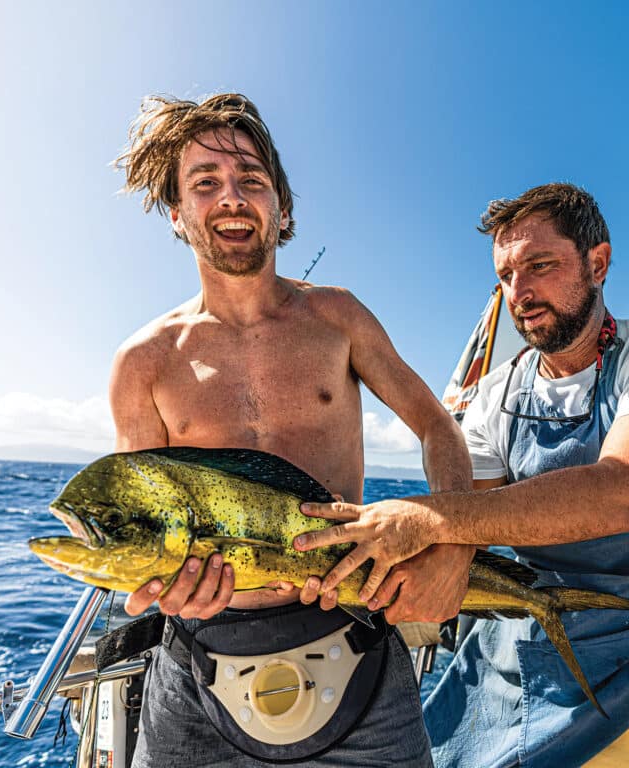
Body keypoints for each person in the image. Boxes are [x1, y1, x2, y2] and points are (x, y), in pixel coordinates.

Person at [295, 184, 629, 767]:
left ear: (597, 263)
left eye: (540, 266)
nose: (519, 293)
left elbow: (620, 493)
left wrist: (427, 520)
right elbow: (461, 507)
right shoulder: (497, 394)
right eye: (505, 275)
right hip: (563, 697)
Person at [108, 92, 473, 767]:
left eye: (252, 179)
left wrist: (453, 541)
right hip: (198, 674)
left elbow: (437, 427)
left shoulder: (339, 317)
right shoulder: (144, 363)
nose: (232, 197)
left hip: (356, 638)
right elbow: (144, 531)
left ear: (281, 204)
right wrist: (162, 588)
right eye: (206, 182)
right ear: (177, 213)